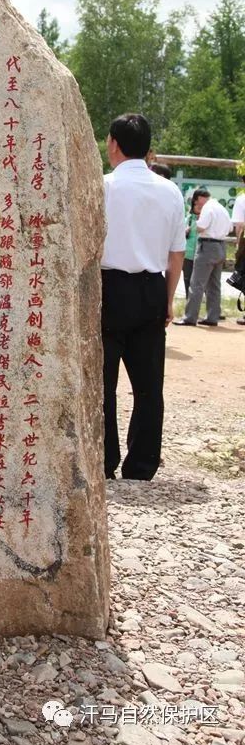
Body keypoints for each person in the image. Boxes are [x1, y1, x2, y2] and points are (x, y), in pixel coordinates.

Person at [101, 113, 185, 481]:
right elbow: (176, 252)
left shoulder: (102, 186)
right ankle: (142, 464)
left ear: (114, 144)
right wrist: (167, 299)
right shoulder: (170, 191)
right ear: (148, 148)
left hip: (107, 290)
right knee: (149, 386)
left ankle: (103, 458)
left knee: (101, 383)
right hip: (151, 287)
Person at [174, 187, 231, 327]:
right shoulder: (221, 208)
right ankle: (213, 316)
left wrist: (197, 223)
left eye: (196, 201)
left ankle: (190, 317)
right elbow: (230, 229)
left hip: (207, 246)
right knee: (214, 285)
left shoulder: (208, 208)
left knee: (197, 284)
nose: (197, 205)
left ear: (200, 198)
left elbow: (201, 227)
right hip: (221, 246)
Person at [182, 192, 199, 297]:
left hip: (200, 253)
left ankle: (198, 297)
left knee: (199, 278)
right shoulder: (188, 218)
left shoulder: (205, 217)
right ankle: (188, 297)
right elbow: (179, 234)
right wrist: (185, 231)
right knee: (187, 277)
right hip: (188, 253)